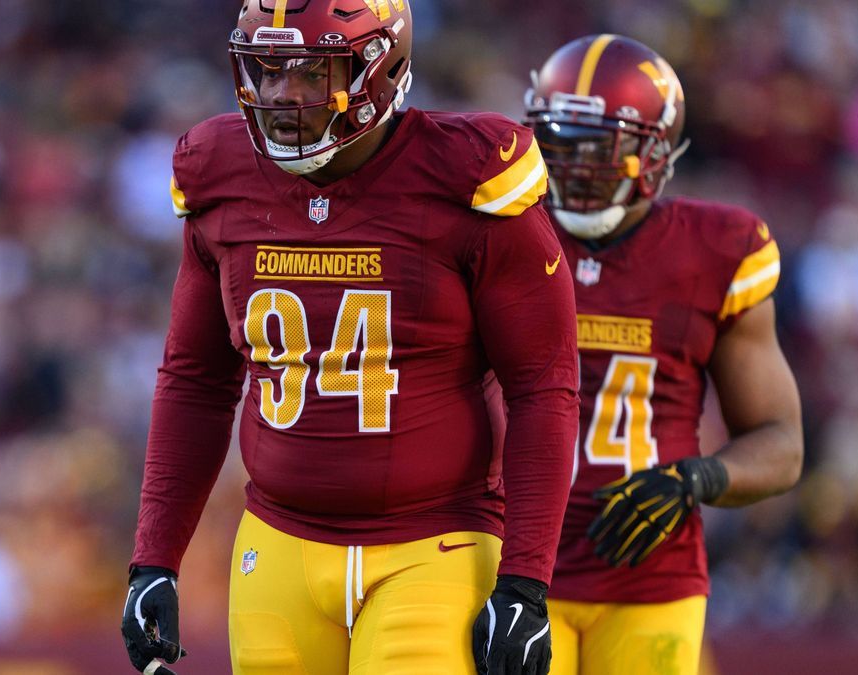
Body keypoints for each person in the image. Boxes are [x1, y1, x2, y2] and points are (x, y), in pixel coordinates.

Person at [119, 1, 580, 674]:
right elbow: (195, 381)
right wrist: (153, 558)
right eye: (268, 70)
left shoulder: (469, 175)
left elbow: (544, 386)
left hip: (434, 547)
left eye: (311, 73)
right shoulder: (217, 171)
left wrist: (526, 580)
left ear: (382, 69)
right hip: (276, 546)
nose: (281, 95)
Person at [520, 34, 804, 675]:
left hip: (648, 575)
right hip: (508, 567)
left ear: (652, 151)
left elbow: (781, 442)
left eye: (594, 148)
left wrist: (695, 479)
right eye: (557, 143)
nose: (569, 165)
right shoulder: (497, 230)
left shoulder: (717, 249)